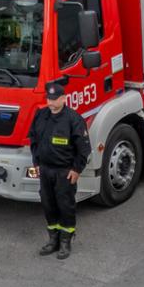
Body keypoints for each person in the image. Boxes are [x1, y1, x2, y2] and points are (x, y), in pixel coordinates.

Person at [29, 81, 90, 260]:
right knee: (48, 205)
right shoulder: (41, 115)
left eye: (55, 99)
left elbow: (84, 148)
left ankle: (65, 242)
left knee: (65, 206)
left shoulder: (74, 119)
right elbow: (34, 138)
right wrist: (36, 162)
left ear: (64, 98)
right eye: (49, 98)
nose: (51, 102)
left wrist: (77, 169)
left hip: (65, 172)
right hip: (45, 170)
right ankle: (52, 240)